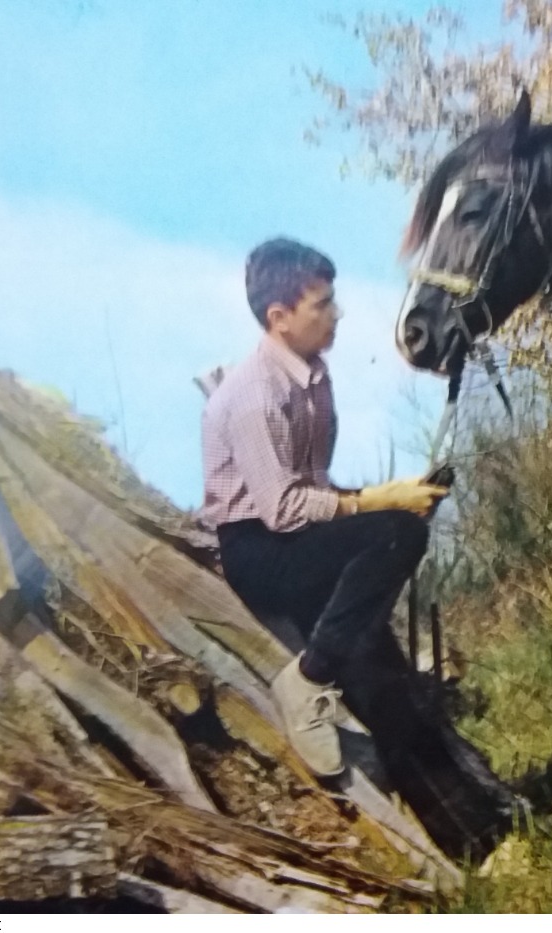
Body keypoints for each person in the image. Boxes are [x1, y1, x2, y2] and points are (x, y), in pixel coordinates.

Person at [201, 237, 448, 776]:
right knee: (397, 533)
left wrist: (394, 497)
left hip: (298, 542)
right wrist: (380, 503)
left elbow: (315, 488)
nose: (337, 314)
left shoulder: (313, 377)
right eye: (322, 304)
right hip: (258, 550)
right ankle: (308, 680)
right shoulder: (254, 394)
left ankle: (463, 831)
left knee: (385, 683)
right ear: (280, 316)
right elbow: (282, 509)